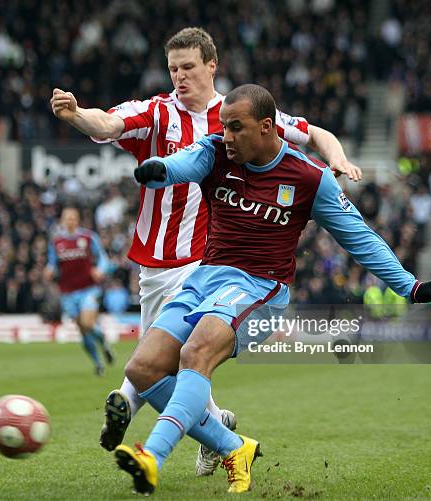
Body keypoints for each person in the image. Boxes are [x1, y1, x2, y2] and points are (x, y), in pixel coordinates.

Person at [50, 27, 363, 473]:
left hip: (210, 259)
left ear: (211, 66)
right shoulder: (157, 113)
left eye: (188, 67)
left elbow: (314, 134)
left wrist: (337, 159)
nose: (180, 76)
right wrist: (76, 113)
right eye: (173, 68)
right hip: (156, 262)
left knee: (180, 358)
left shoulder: (239, 115)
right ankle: (218, 428)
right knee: (156, 364)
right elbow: (109, 123)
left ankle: (144, 419)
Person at [114, 84, 431, 495]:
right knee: (142, 370)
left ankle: (151, 456)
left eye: (236, 128)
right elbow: (181, 164)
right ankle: (232, 446)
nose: (227, 136)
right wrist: (159, 170)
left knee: (195, 353)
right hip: (205, 280)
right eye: (223, 127)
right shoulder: (215, 151)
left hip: (261, 292)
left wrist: (410, 286)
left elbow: (359, 237)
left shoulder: (309, 177)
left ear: (267, 126)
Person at [44, 207, 114, 376]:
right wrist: (49, 270)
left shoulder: (88, 238)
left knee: (88, 323)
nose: (70, 221)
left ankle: (103, 341)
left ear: (77, 220)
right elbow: (52, 263)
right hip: (68, 292)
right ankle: (98, 363)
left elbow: (104, 258)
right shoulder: (56, 242)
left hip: (88, 288)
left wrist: (100, 270)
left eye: (73, 218)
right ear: (62, 221)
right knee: (82, 330)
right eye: (67, 218)